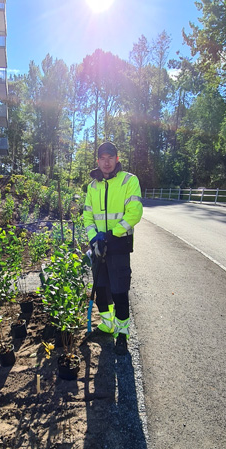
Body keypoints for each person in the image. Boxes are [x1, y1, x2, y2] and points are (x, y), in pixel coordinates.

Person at [83, 141, 143, 355]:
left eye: (110, 157)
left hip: (118, 244)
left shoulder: (129, 181)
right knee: (100, 290)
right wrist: (94, 239)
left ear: (117, 159)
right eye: (102, 158)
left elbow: (134, 213)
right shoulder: (92, 186)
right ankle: (107, 325)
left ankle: (122, 334)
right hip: (98, 246)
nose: (106, 162)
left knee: (119, 292)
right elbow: (88, 215)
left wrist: (110, 235)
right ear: (97, 161)